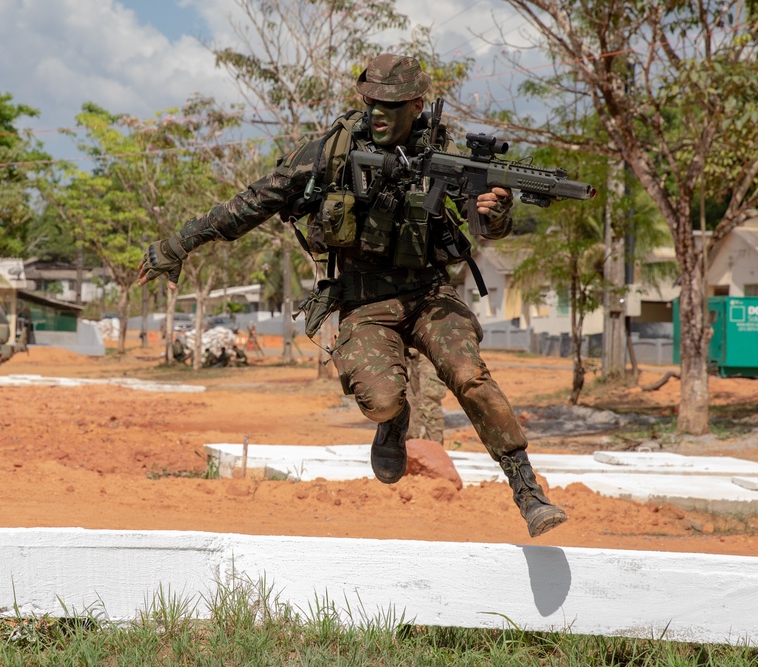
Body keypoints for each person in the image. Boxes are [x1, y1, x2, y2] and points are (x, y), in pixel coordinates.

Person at [138, 53, 567, 537]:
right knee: (381, 400)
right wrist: (178, 245)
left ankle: (527, 491)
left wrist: (496, 212)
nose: (377, 112)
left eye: (390, 104)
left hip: (430, 295)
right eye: (370, 102)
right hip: (364, 303)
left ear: (417, 105)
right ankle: (394, 420)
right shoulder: (331, 152)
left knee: (469, 375)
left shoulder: (449, 155)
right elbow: (255, 201)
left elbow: (488, 228)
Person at [405, 348, 446, 443]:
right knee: (407, 399)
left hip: (431, 347)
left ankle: (434, 447)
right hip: (408, 350)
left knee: (430, 398)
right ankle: (410, 445)